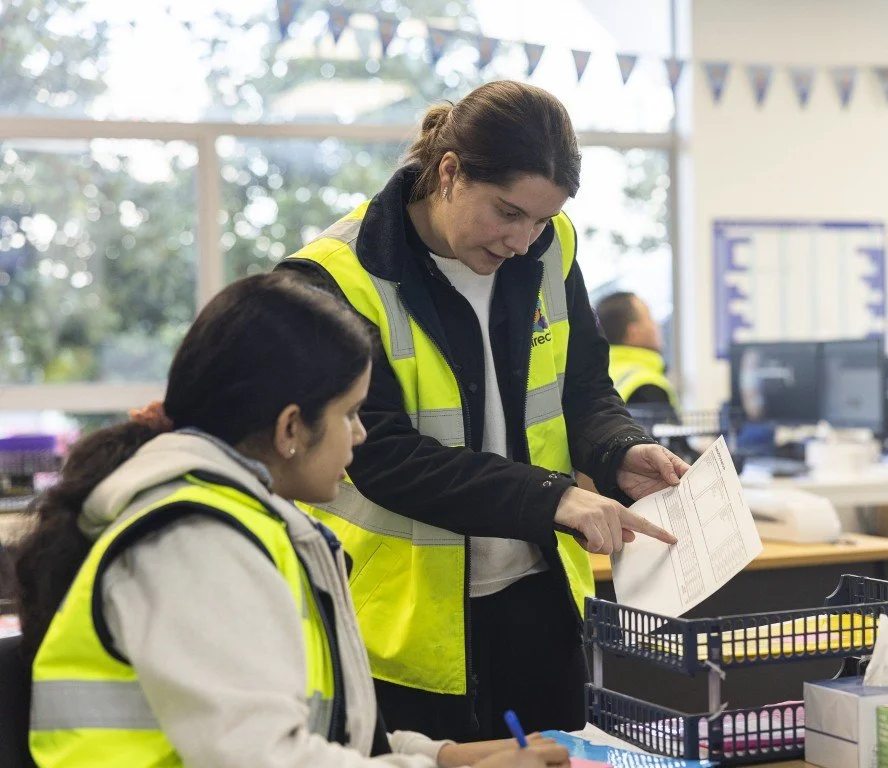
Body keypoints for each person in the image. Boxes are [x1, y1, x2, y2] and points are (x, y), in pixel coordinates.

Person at [12, 273, 568, 768]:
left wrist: (446, 757)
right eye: (349, 413)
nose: (360, 434)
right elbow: (264, 758)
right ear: (290, 430)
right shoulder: (197, 543)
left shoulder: (244, 525)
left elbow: (320, 736)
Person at [275, 80, 689, 741]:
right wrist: (555, 498)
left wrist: (617, 449)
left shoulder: (551, 248)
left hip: (539, 605)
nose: (522, 241)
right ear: (449, 172)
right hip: (400, 633)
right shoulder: (335, 278)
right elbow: (379, 454)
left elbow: (583, 387)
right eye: (507, 213)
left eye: (540, 219)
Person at [595, 292, 679, 410]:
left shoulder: (599, 373)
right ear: (633, 333)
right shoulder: (648, 387)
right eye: (649, 318)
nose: (657, 325)